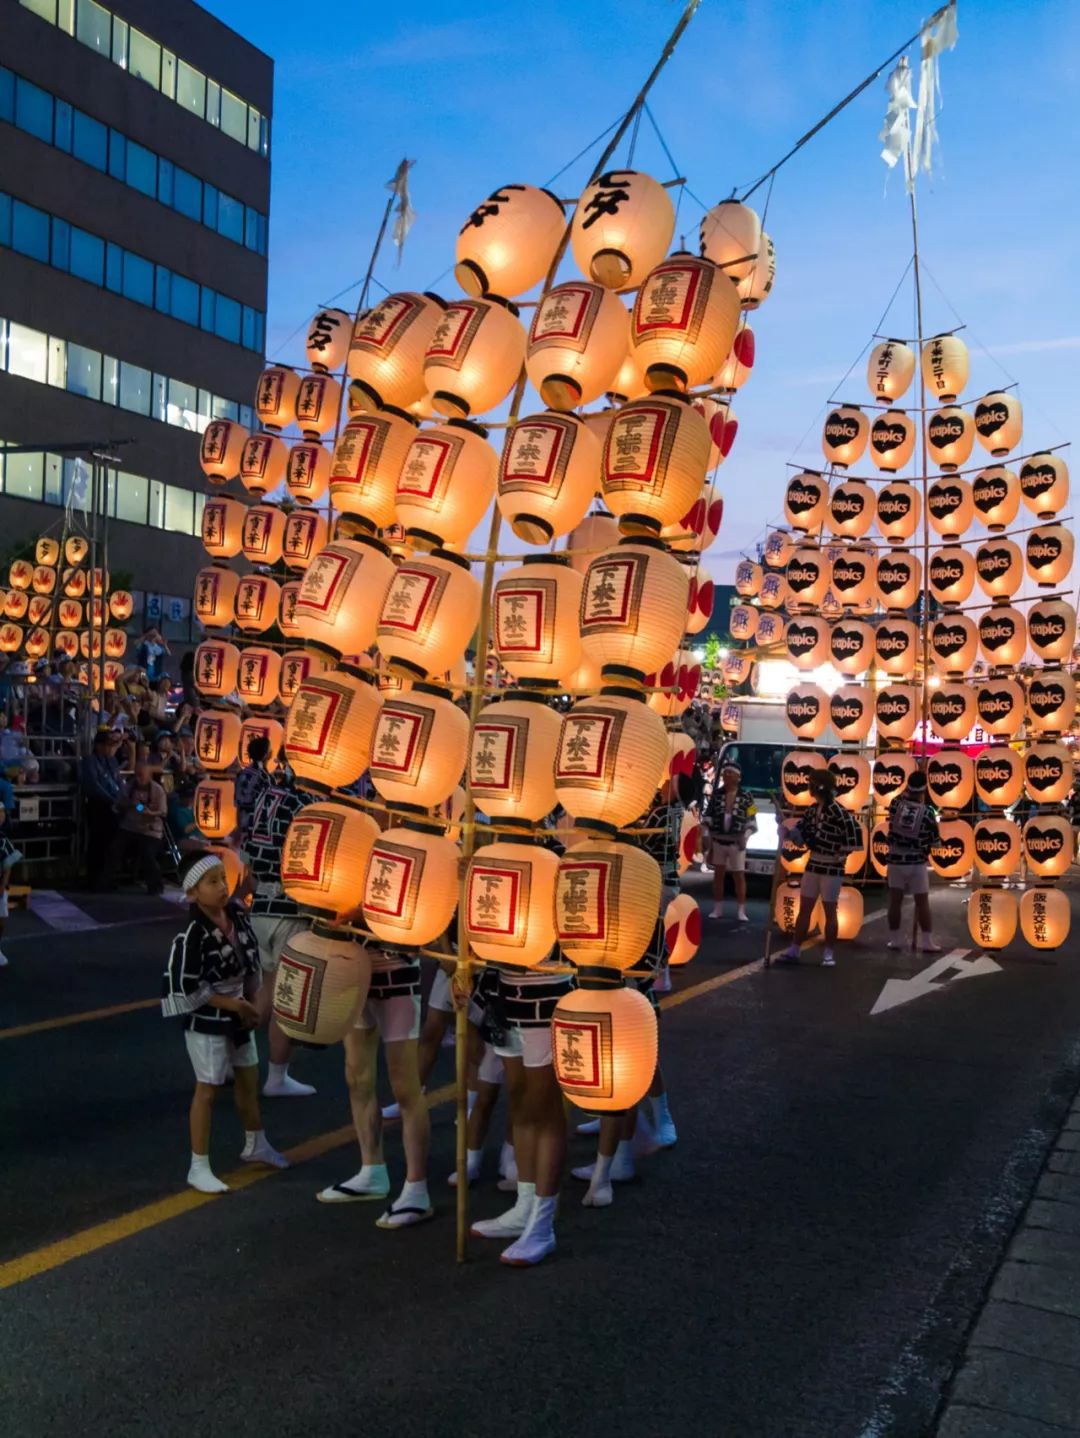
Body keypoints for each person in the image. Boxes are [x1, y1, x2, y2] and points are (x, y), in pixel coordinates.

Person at [161, 852, 287, 1193]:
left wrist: (256, 1001)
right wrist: (235, 1004)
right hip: (208, 1018)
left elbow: (252, 965)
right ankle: (198, 1164)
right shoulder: (192, 936)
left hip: (239, 1010)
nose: (222, 887)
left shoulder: (238, 918)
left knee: (248, 1079)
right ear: (191, 893)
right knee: (208, 1089)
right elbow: (188, 988)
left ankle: (256, 1142)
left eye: (223, 878)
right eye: (212, 881)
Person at [317, 944, 431, 1229]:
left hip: (397, 972)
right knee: (357, 1076)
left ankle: (417, 1187)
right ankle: (372, 1169)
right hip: (353, 969)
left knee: (404, 1084)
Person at [470, 953, 572, 1267]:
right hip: (503, 987)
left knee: (545, 1110)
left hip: (548, 987)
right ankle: (524, 1207)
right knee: (520, 1103)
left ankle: (542, 1224)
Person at [245, 771, 317, 1099]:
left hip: (260, 903)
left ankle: (225, 1058)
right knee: (287, 999)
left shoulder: (267, 797)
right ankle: (276, 1075)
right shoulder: (308, 804)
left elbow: (248, 851)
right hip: (289, 907)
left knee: (269, 990)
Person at [776, 769, 862, 967]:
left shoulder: (840, 813)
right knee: (805, 908)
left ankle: (829, 953)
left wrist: (839, 854)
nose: (810, 789)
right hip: (814, 863)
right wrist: (787, 832)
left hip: (832, 867)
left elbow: (852, 838)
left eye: (812, 785)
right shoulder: (812, 810)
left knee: (830, 910)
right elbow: (801, 836)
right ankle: (794, 949)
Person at [885, 770, 942, 953]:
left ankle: (895, 940)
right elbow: (935, 842)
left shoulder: (895, 804)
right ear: (924, 790)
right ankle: (927, 941)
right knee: (922, 902)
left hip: (895, 860)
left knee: (895, 901)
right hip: (916, 862)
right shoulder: (927, 813)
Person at [705, 761, 757, 922]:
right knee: (718, 875)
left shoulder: (747, 796)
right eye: (725, 773)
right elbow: (708, 816)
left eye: (730, 773)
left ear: (738, 777)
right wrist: (706, 835)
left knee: (739, 876)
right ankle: (718, 908)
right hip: (719, 840)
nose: (726, 776)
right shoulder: (717, 794)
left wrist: (746, 836)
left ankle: (741, 910)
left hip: (737, 842)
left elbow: (752, 821)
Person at [114, 759, 167, 895]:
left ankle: (156, 886)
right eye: (136, 775)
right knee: (114, 847)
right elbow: (119, 804)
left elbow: (162, 812)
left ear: (148, 775)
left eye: (141, 775)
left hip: (150, 829)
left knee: (148, 853)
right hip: (130, 826)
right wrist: (128, 804)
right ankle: (106, 882)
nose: (138, 779)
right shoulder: (129, 787)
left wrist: (150, 812)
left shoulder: (157, 790)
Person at [80, 726, 122, 889]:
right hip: (98, 804)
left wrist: (121, 798)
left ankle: (107, 877)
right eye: (108, 744)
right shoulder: (89, 761)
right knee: (98, 842)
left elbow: (118, 781)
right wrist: (112, 799)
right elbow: (93, 785)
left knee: (112, 843)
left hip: (114, 805)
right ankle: (94, 879)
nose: (111, 748)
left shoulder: (112, 761)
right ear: (98, 745)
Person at [234, 736, 272, 850]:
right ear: (266, 755)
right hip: (258, 828)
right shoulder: (265, 777)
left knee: (245, 859)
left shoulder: (242, 773)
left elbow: (238, 805)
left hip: (243, 824)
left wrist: (238, 827)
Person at [0, 801, 22, 967]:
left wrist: (3, 884)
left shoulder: (2, 839)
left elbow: (8, 864)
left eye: (2, 813)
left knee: (1, 918)